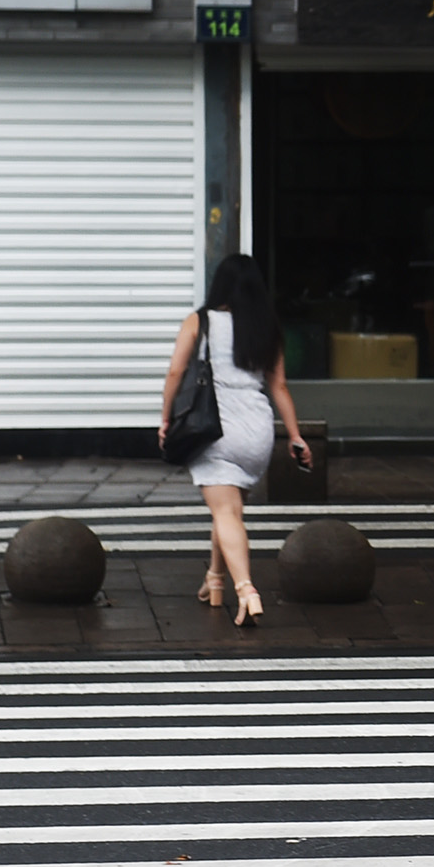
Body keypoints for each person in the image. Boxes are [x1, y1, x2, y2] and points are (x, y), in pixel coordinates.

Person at [158, 254, 309, 628]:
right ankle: (216, 581)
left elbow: (177, 370)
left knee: (225, 513)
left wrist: (164, 419)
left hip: (215, 429)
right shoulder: (267, 327)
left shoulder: (201, 320)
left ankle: (246, 591)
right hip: (257, 430)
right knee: (229, 510)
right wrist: (294, 435)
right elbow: (279, 386)